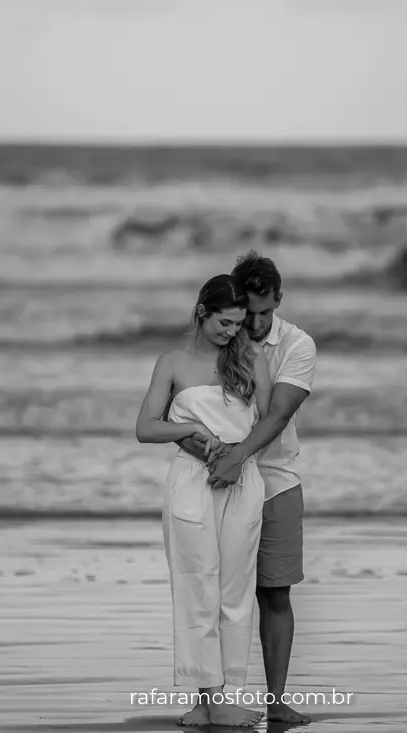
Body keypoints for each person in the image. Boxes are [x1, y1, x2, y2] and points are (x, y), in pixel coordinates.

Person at [182, 251, 317, 726]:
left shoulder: (298, 345)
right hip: (217, 483)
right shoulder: (220, 338)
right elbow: (188, 410)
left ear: (279, 300)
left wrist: (239, 456)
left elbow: (278, 415)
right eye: (249, 312)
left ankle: (276, 702)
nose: (256, 323)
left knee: (273, 593)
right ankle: (211, 701)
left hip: (276, 480)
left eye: (266, 312)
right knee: (215, 592)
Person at [135, 273, 272, 728]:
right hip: (192, 480)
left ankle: (220, 696)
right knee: (197, 585)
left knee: (235, 591)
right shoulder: (172, 361)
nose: (233, 332)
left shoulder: (251, 359)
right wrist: (190, 432)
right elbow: (146, 427)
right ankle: (209, 695)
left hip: (242, 479)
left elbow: (265, 426)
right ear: (202, 312)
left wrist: (235, 457)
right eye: (225, 323)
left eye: (238, 324)